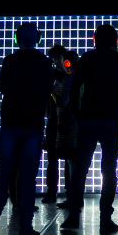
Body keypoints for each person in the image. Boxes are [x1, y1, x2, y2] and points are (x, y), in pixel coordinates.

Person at [61, 24, 118, 234]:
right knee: (109, 169)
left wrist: (78, 114)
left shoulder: (87, 58)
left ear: (95, 38)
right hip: (111, 121)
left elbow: (76, 87)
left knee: (80, 169)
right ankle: (105, 218)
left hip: (88, 120)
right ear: (116, 40)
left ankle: (74, 216)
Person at [0, 23, 53, 235]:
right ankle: (25, 227)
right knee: (28, 178)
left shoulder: (10, 60)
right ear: (38, 38)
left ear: (17, 38)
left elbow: (2, 86)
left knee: (3, 175)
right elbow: (47, 90)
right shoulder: (44, 63)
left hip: (10, 124)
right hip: (33, 125)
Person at [41, 44, 68, 204]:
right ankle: (54, 192)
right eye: (55, 60)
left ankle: (56, 193)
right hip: (55, 121)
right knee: (56, 159)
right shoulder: (62, 76)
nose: (57, 62)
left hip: (61, 121)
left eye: (59, 59)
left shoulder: (60, 76)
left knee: (63, 159)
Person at [53, 50, 80, 209]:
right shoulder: (81, 79)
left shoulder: (69, 79)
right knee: (74, 164)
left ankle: (73, 198)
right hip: (77, 126)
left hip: (68, 126)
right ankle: (75, 197)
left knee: (71, 164)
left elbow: (62, 102)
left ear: (67, 63)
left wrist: (52, 92)